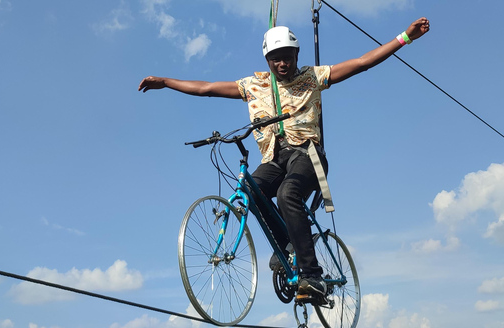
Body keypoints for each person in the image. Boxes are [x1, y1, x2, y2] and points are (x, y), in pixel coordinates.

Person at [139, 17, 430, 297]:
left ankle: (312, 275)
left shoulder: (312, 77)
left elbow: (362, 63)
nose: (282, 63)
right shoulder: (253, 86)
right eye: (276, 58)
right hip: (273, 160)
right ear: (267, 60)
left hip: (307, 154)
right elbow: (206, 88)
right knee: (251, 191)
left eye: (287, 57)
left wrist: (405, 37)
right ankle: (287, 247)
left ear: (296, 55)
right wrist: (165, 82)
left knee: (287, 193)